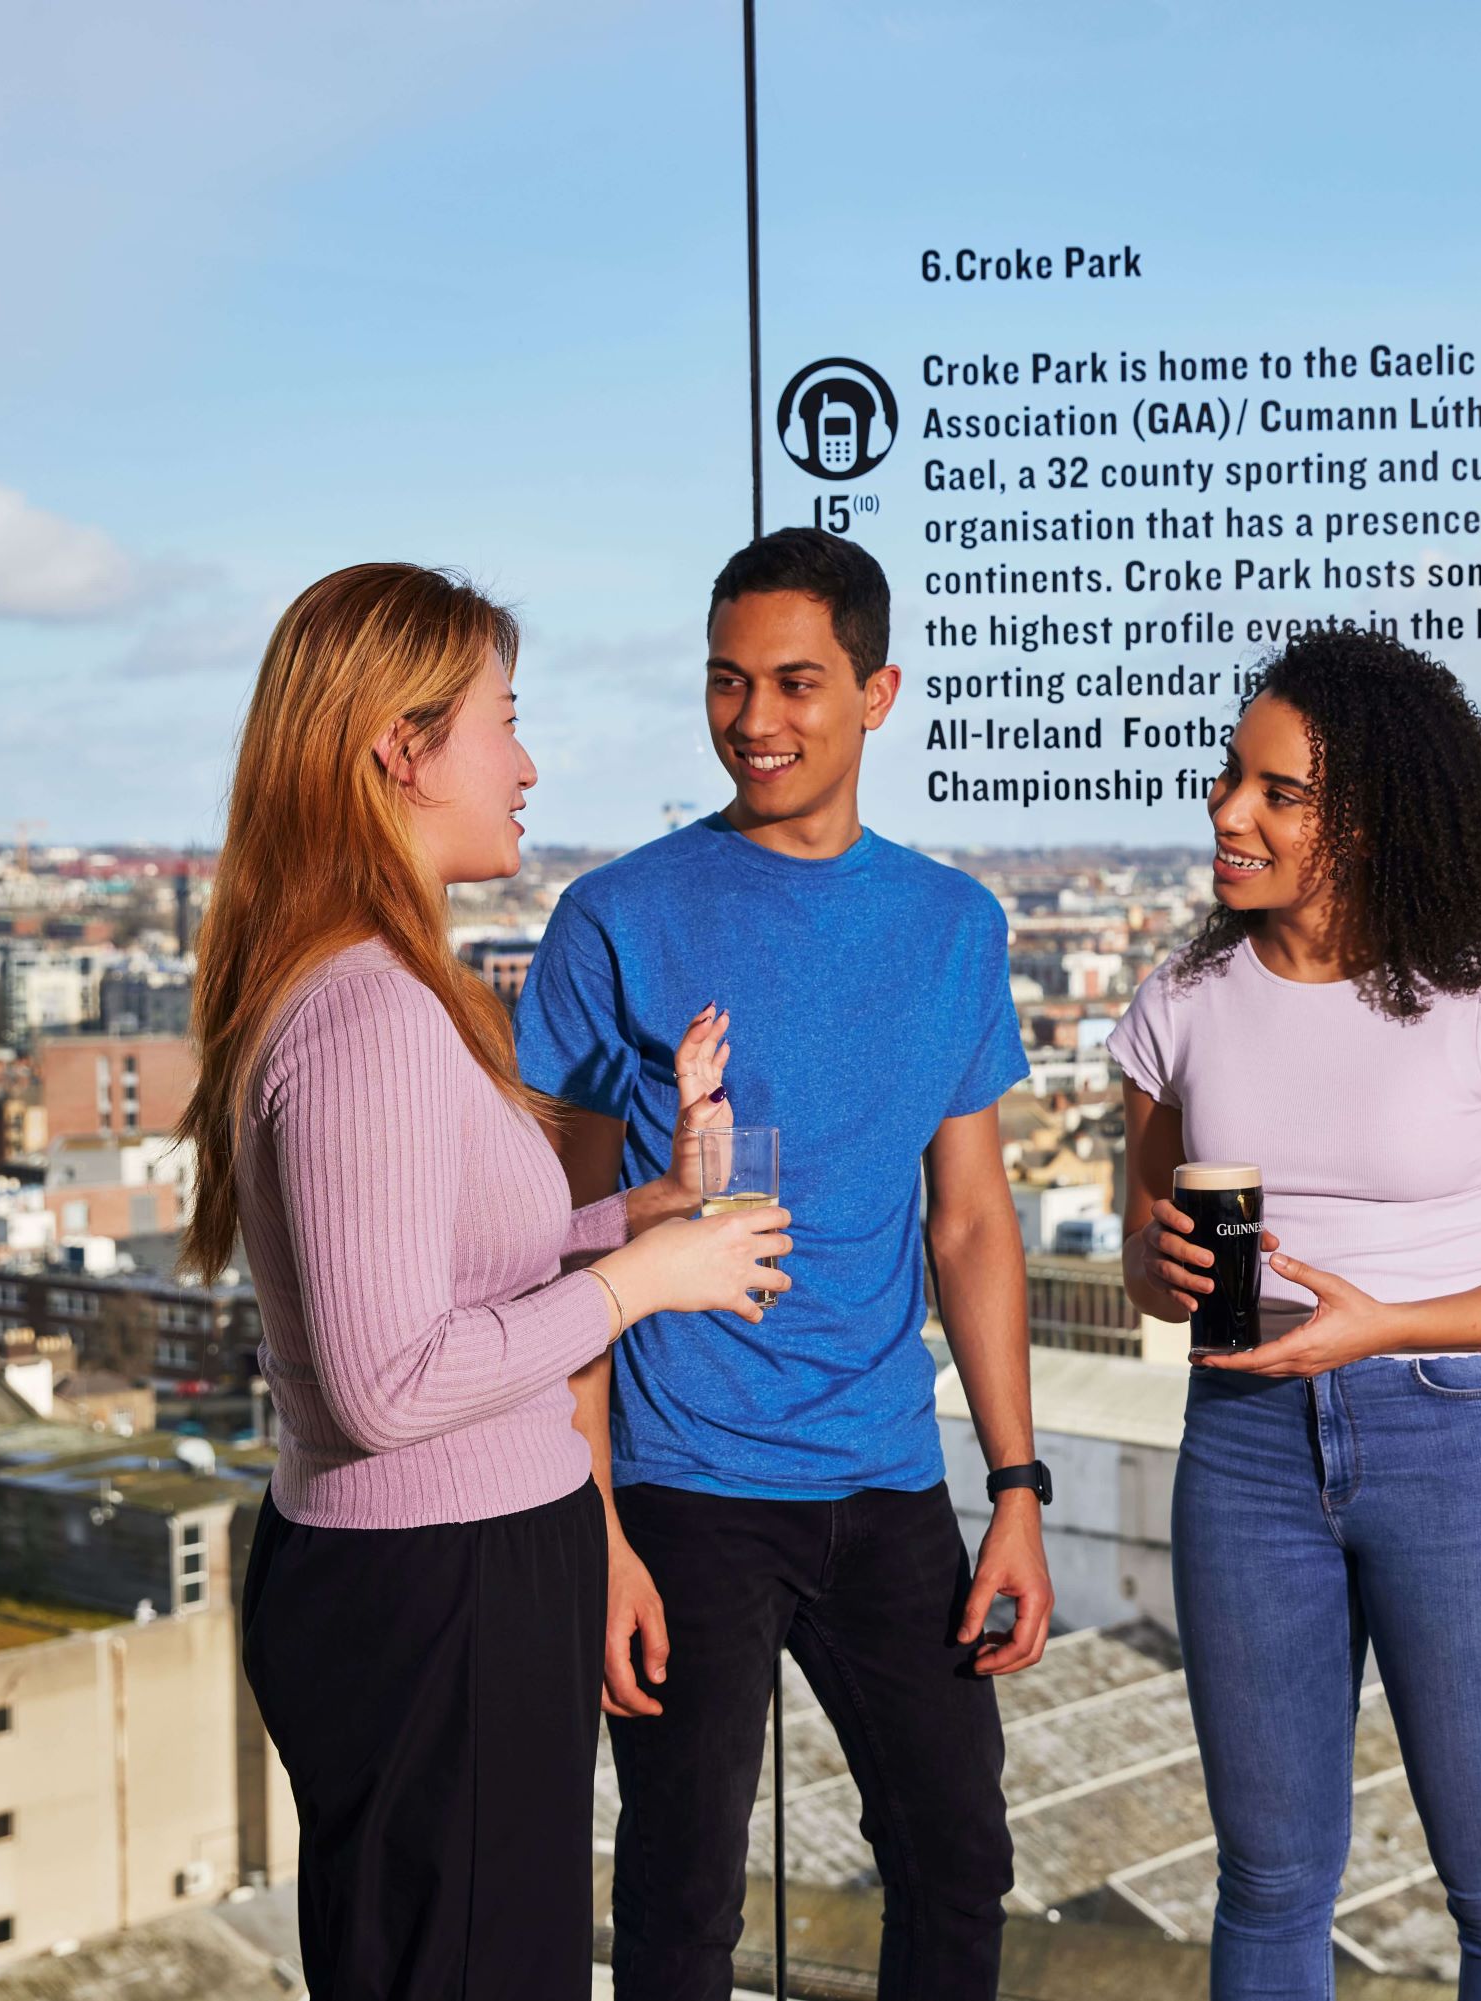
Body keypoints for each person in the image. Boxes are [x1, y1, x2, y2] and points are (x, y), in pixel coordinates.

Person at [182, 562, 791, 1999]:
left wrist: (657, 1204)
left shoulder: (381, 988)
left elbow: (462, 1269)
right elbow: (392, 1381)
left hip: (445, 1573)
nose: (527, 764)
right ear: (402, 749)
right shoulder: (369, 1015)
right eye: (503, 722)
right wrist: (645, 1278)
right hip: (437, 1588)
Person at [515, 528, 1051, 2001]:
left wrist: (1013, 1487)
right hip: (682, 1493)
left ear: (878, 692)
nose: (755, 719)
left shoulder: (954, 925)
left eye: (797, 683)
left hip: (886, 1482)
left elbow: (973, 1224)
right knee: (682, 1903)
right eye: (728, 681)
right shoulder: (614, 919)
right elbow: (549, 1249)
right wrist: (599, 1521)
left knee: (959, 1864)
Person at [1114, 631, 1481, 2001]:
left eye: (1278, 791)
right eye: (1234, 777)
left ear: (1371, 817)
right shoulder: (1176, 1008)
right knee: (1271, 1884)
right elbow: (1134, 1253)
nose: (1230, 810)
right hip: (1243, 1448)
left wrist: (1388, 1320)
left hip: (1458, 1445)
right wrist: (1162, 1269)